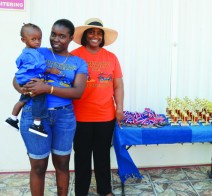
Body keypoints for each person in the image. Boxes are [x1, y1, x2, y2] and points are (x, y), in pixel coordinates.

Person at [13, 19, 87, 196]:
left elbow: (78, 92)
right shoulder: (38, 52)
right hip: (34, 113)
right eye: (53, 34)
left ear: (70, 38)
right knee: (38, 166)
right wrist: (24, 89)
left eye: (62, 36)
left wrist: (47, 88)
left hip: (64, 116)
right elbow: (17, 78)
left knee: (62, 164)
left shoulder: (79, 62)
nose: (56, 39)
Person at [71, 18, 124, 196]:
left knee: (102, 156)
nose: (95, 36)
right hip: (80, 117)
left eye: (99, 33)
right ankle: (81, 191)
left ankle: (105, 190)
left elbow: (118, 86)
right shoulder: (74, 56)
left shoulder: (111, 58)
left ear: (102, 37)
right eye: (91, 32)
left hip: (105, 116)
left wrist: (119, 108)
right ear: (85, 35)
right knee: (82, 158)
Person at [5, 23, 60, 137]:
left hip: (24, 80)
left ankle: (12, 118)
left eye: (39, 39)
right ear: (23, 40)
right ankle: (36, 124)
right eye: (33, 39)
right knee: (40, 98)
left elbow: (18, 62)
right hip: (32, 80)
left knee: (23, 100)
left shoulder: (24, 52)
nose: (37, 42)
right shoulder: (34, 53)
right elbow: (40, 66)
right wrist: (50, 70)